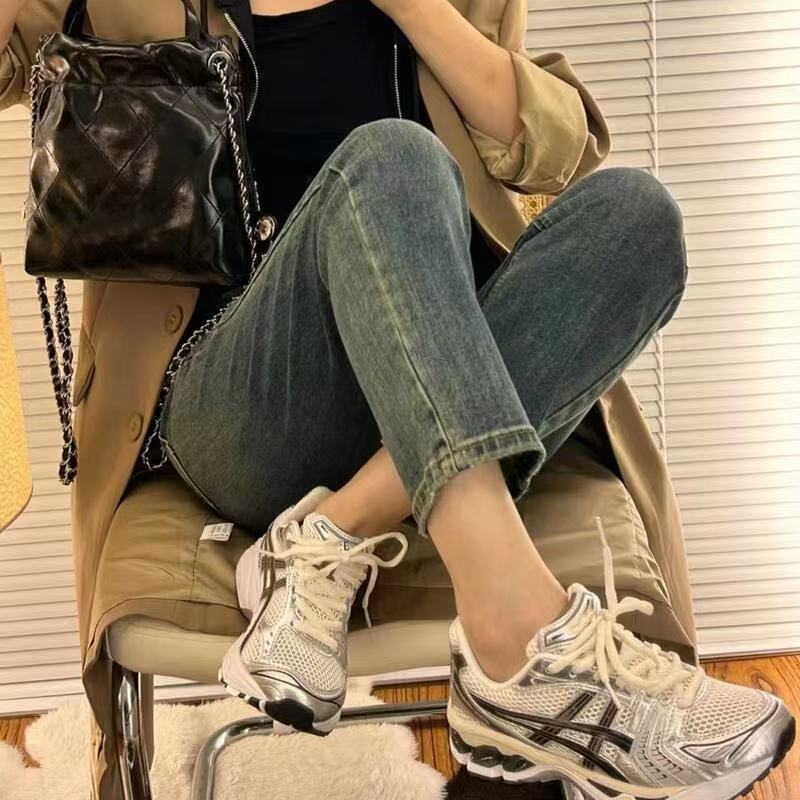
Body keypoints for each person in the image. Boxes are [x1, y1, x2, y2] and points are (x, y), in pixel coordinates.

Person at [2, 1, 794, 798]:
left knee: (636, 218)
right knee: (393, 157)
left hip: (432, 372)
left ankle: (336, 530)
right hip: (244, 407)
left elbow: (560, 152)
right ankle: (515, 638)